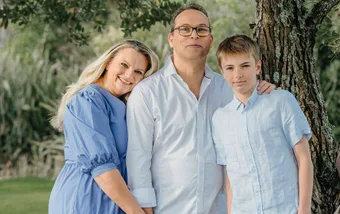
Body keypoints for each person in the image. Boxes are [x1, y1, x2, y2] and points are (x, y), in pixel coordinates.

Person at [126, 3, 275, 214]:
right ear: (171, 39)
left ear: (210, 40)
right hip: (166, 209)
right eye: (184, 29)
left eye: (201, 29)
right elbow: (138, 157)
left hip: (220, 208)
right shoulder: (148, 92)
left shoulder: (228, 89)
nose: (193, 35)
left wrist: (265, 91)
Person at [48, 39, 159, 214]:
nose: (129, 75)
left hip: (116, 200)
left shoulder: (124, 105)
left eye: (138, 71)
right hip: (86, 198)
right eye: (124, 65)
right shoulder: (88, 101)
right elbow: (103, 169)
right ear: (108, 63)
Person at [212, 34, 314, 214]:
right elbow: (230, 176)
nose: (238, 74)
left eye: (245, 65)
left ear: (257, 66)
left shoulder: (281, 101)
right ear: (222, 71)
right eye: (230, 68)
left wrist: (304, 211)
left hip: (284, 208)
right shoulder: (220, 118)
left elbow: (304, 158)